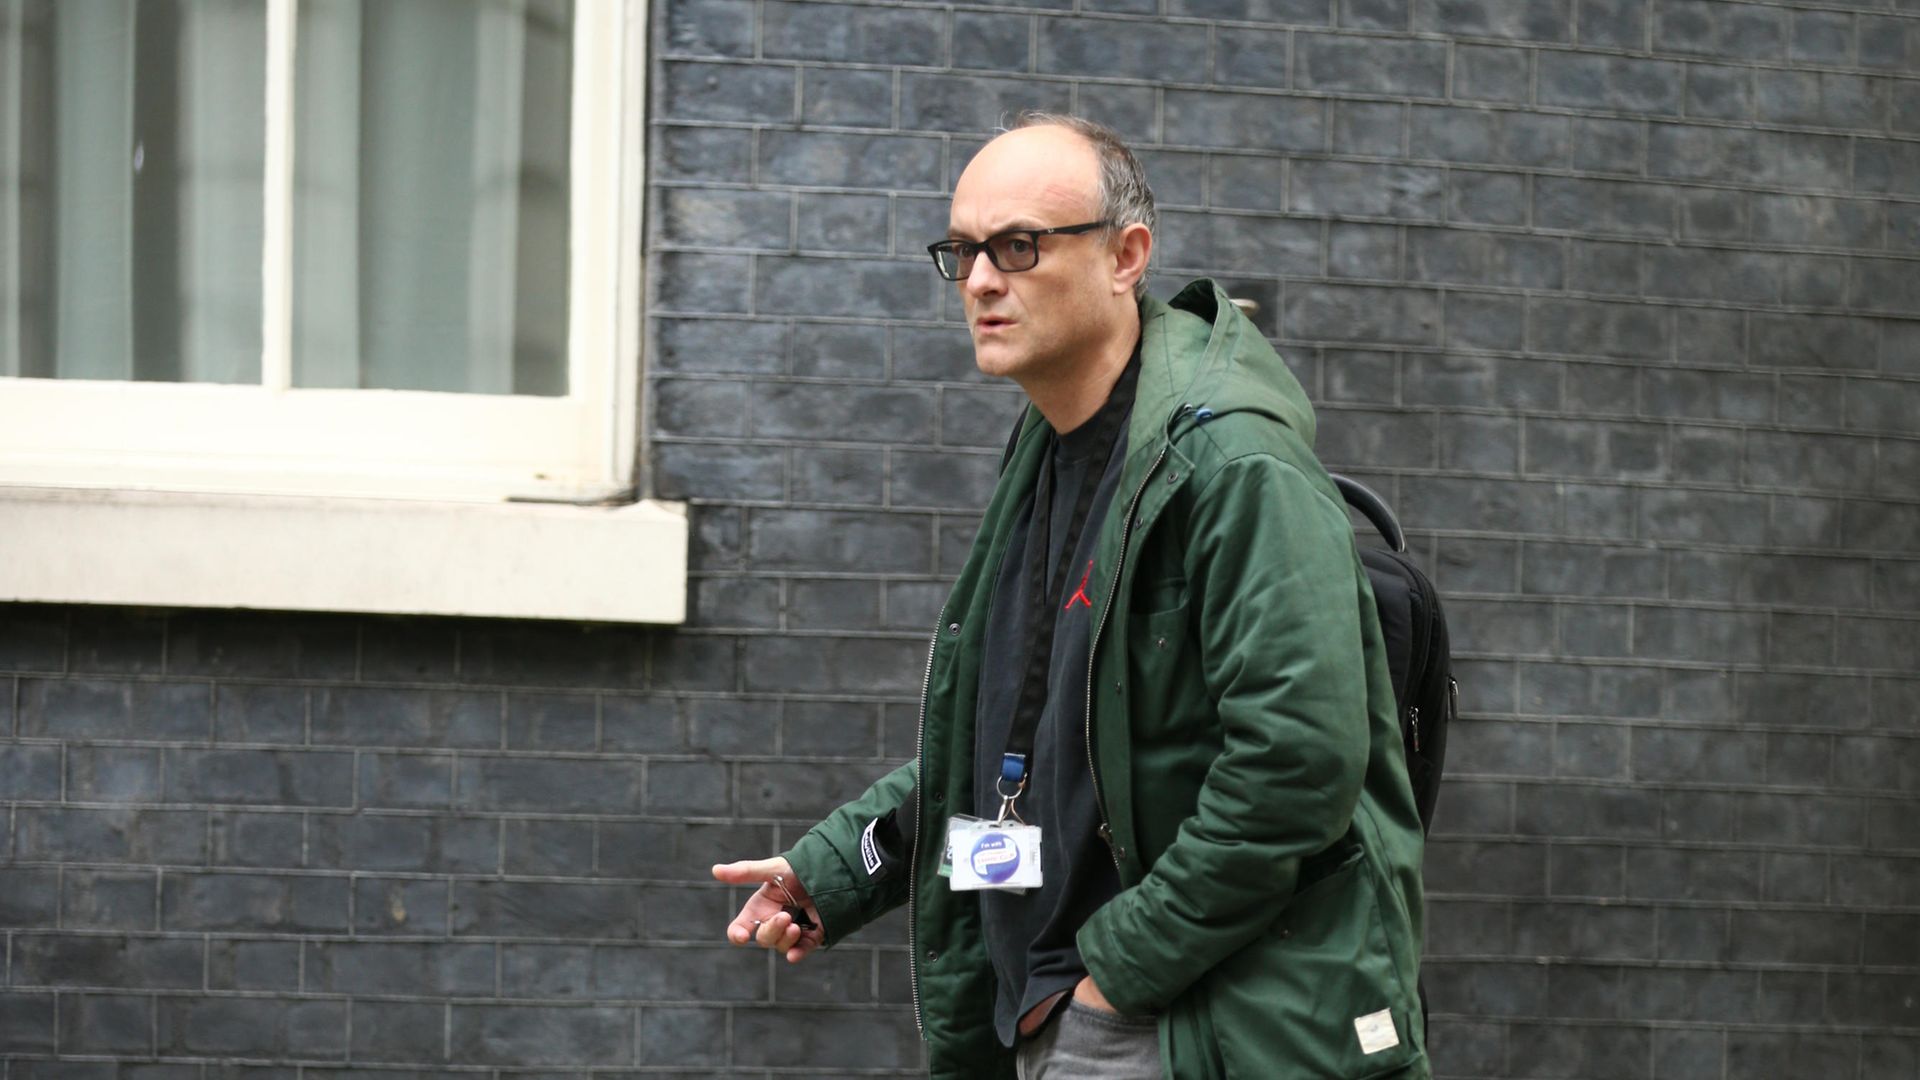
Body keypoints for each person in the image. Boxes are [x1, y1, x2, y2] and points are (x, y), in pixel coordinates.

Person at [713, 112, 1429, 1080]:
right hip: (1063, 1018)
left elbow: (1296, 770)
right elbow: (1023, 777)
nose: (978, 281)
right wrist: (839, 872)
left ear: (1128, 255)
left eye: (1018, 246)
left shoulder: (1232, 465)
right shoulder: (1048, 456)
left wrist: (1112, 980)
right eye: (962, 251)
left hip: (1187, 1031)